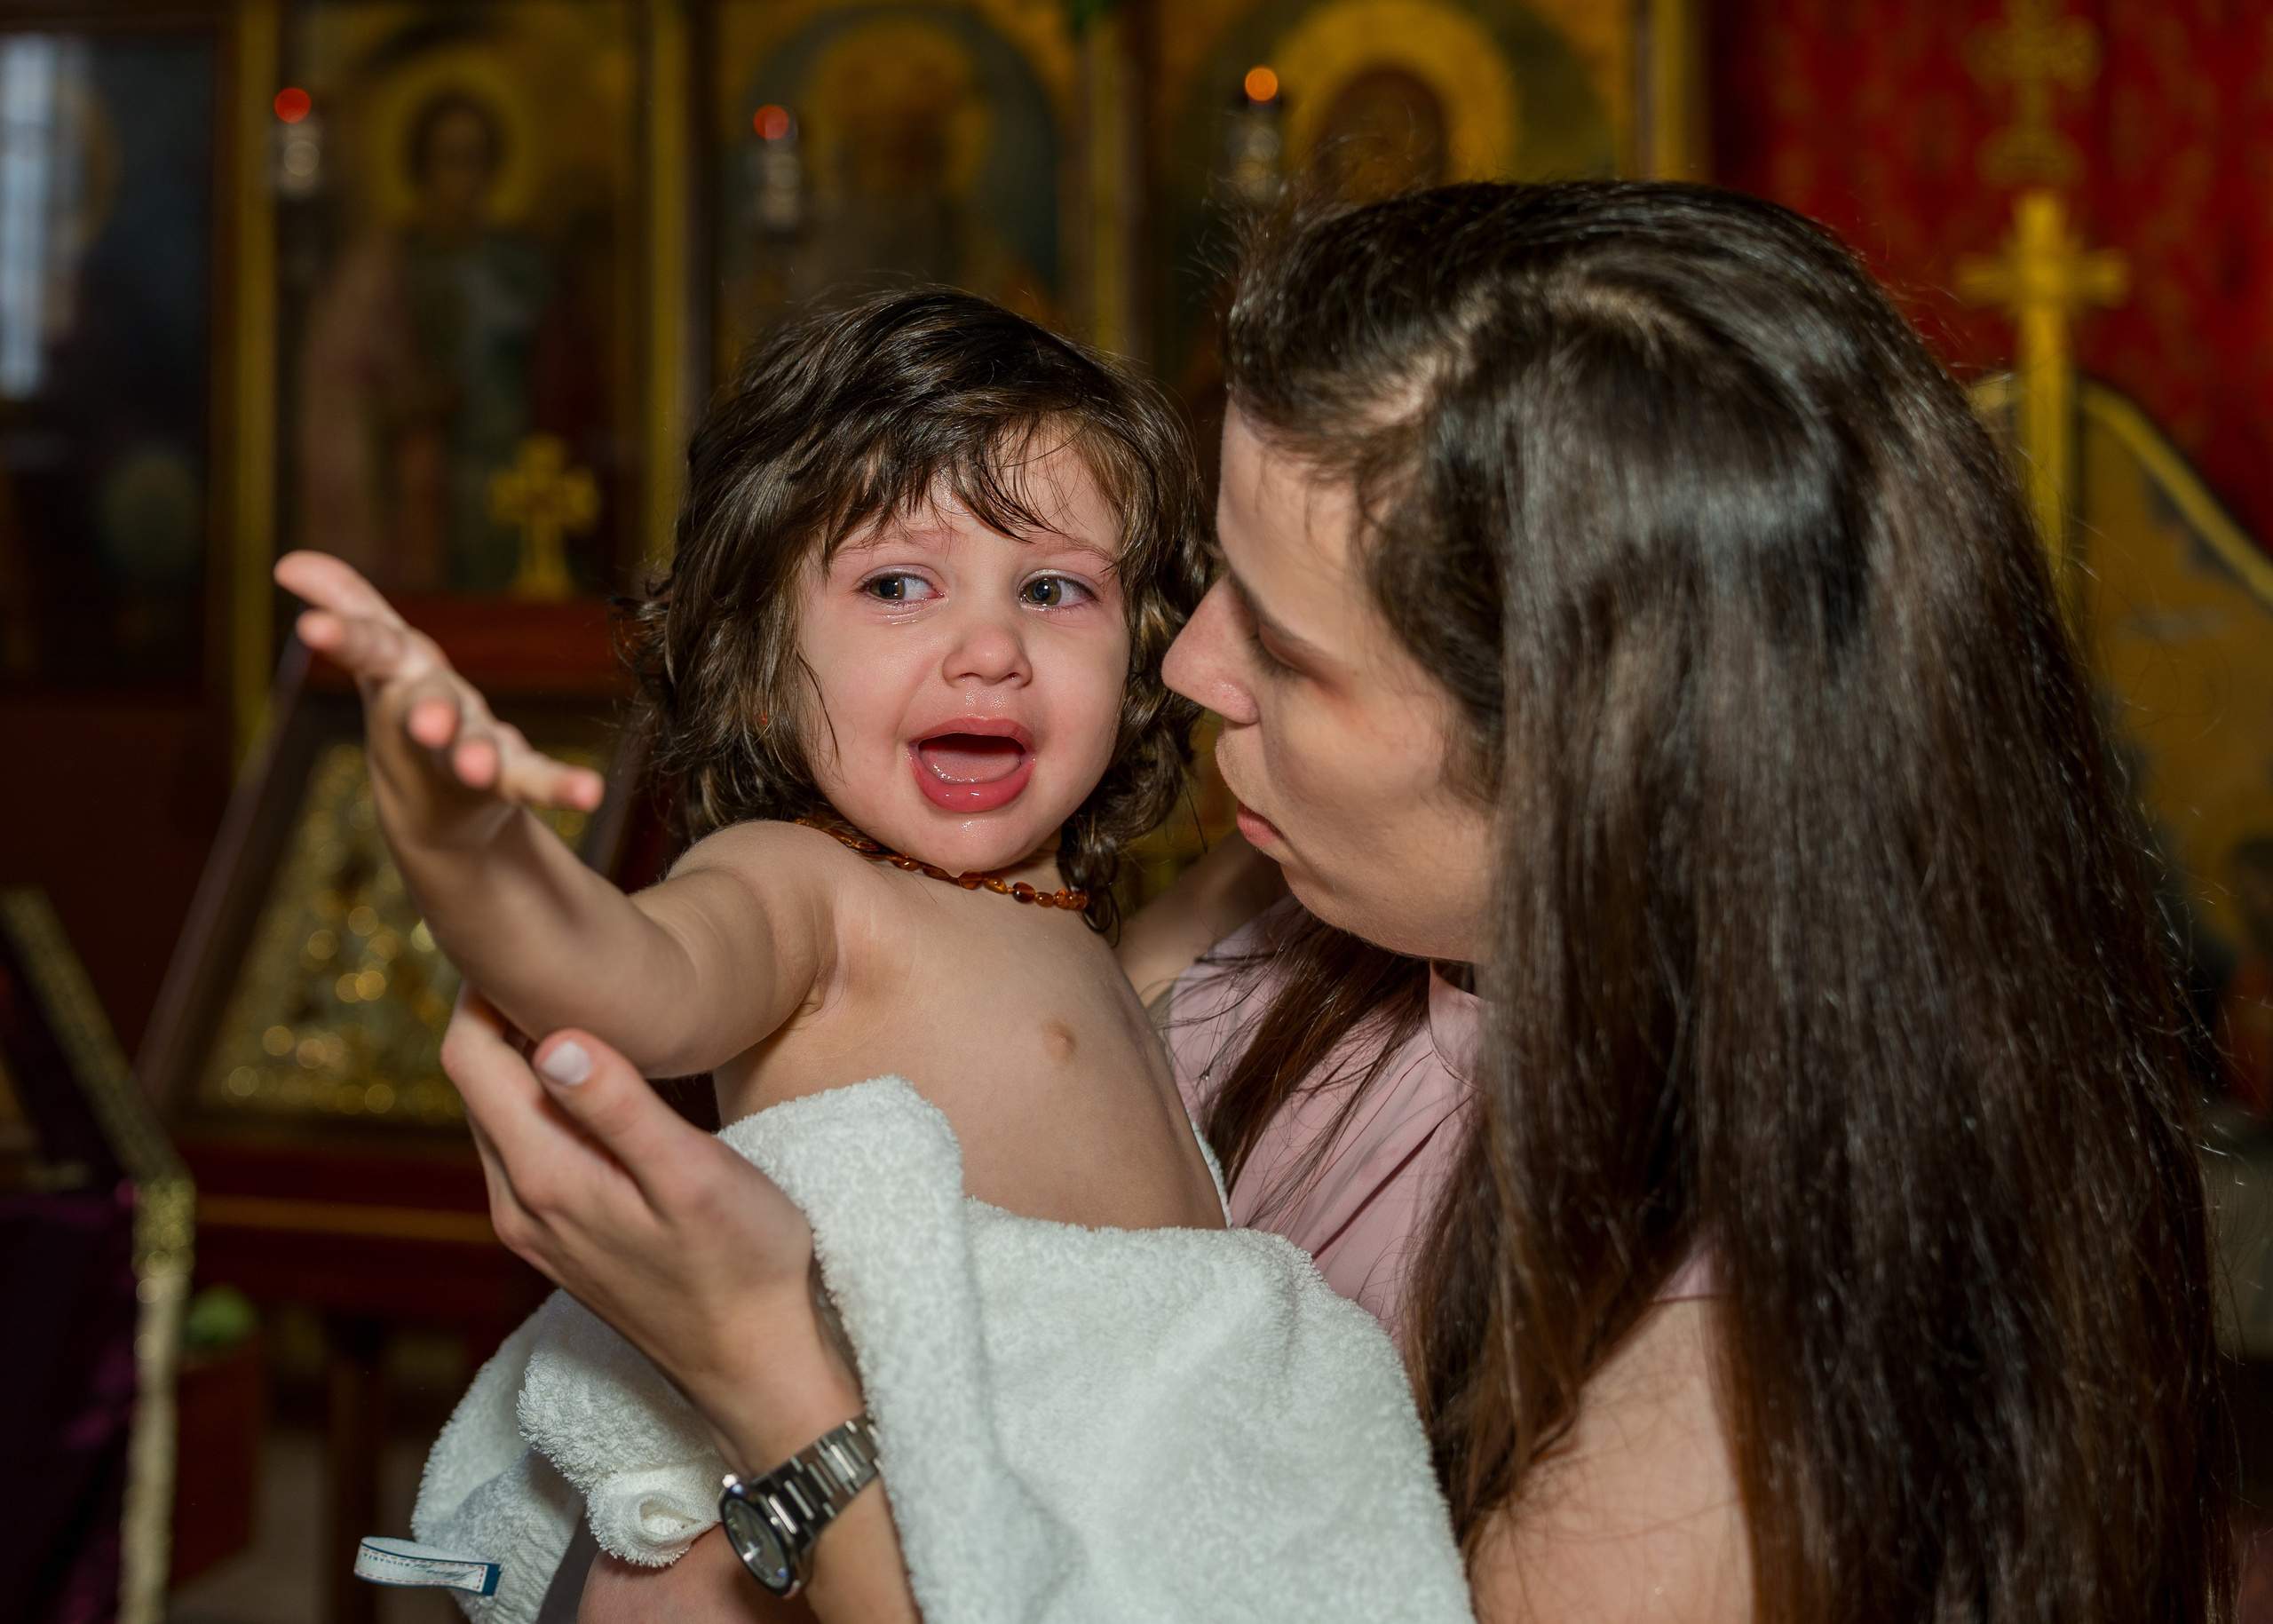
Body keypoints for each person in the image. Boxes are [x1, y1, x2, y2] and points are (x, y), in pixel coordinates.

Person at [454, 181, 2235, 1624]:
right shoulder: (1291, 928)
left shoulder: (1706, 1422)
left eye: (1292, 657)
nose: (1189, 669)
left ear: (1592, 759)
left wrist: (778, 1380)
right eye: (1209, 581)